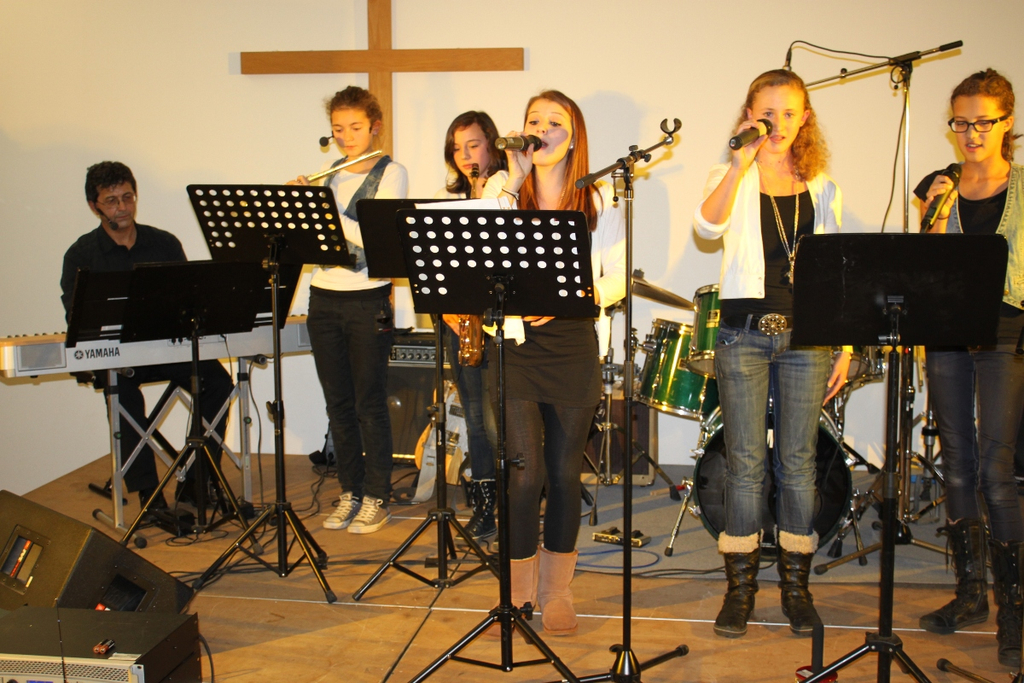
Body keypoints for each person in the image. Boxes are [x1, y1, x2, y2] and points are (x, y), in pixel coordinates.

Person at [693, 70, 849, 638]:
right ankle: (740, 591)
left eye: (788, 113)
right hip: (743, 336)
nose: (778, 123)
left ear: (804, 119)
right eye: (767, 113)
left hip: (807, 339)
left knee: (798, 463)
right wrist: (740, 164)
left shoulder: (822, 186)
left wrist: (845, 344)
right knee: (745, 462)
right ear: (750, 115)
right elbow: (706, 226)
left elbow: (836, 272)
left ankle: (796, 590)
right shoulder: (729, 175)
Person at [481, 90, 625, 635]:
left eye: (555, 122)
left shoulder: (600, 198)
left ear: (575, 135)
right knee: (524, 474)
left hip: (572, 344)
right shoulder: (503, 189)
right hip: (515, 346)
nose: (542, 130)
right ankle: (518, 591)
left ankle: (557, 590)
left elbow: (618, 274)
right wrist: (512, 181)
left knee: (564, 475)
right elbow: (479, 249)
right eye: (533, 120)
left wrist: (574, 295)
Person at [914, 68, 1024, 668]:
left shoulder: (1022, 189)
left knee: (995, 469)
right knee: (956, 462)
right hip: (948, 334)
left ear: (1007, 122)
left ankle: (1014, 611)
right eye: (961, 122)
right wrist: (932, 212)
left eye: (984, 121)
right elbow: (922, 266)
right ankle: (971, 594)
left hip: (1005, 333)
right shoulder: (942, 187)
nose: (972, 133)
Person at [61, 161, 234, 510]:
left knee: (219, 383)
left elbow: (188, 301)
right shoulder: (81, 255)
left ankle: (196, 480)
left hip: (167, 350)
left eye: (128, 197)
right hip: (119, 356)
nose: (122, 207)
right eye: (112, 201)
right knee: (121, 392)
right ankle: (148, 494)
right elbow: (79, 318)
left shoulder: (163, 243)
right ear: (94, 206)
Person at [291, 86, 408, 535]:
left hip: (367, 299)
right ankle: (350, 491)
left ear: (374, 127)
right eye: (338, 129)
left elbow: (373, 236)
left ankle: (376, 495)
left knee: (369, 403)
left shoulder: (391, 173)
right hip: (323, 297)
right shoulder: (328, 174)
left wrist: (321, 209)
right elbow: (315, 239)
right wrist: (299, 207)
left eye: (355, 127)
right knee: (337, 403)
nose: (345, 137)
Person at [433, 111, 508, 541]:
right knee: (476, 421)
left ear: (492, 144)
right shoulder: (449, 201)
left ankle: (512, 504)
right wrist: (446, 308)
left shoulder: (508, 190)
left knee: (498, 423)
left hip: (498, 327)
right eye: (457, 148)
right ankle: (484, 509)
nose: (465, 156)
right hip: (458, 324)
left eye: (473, 145)